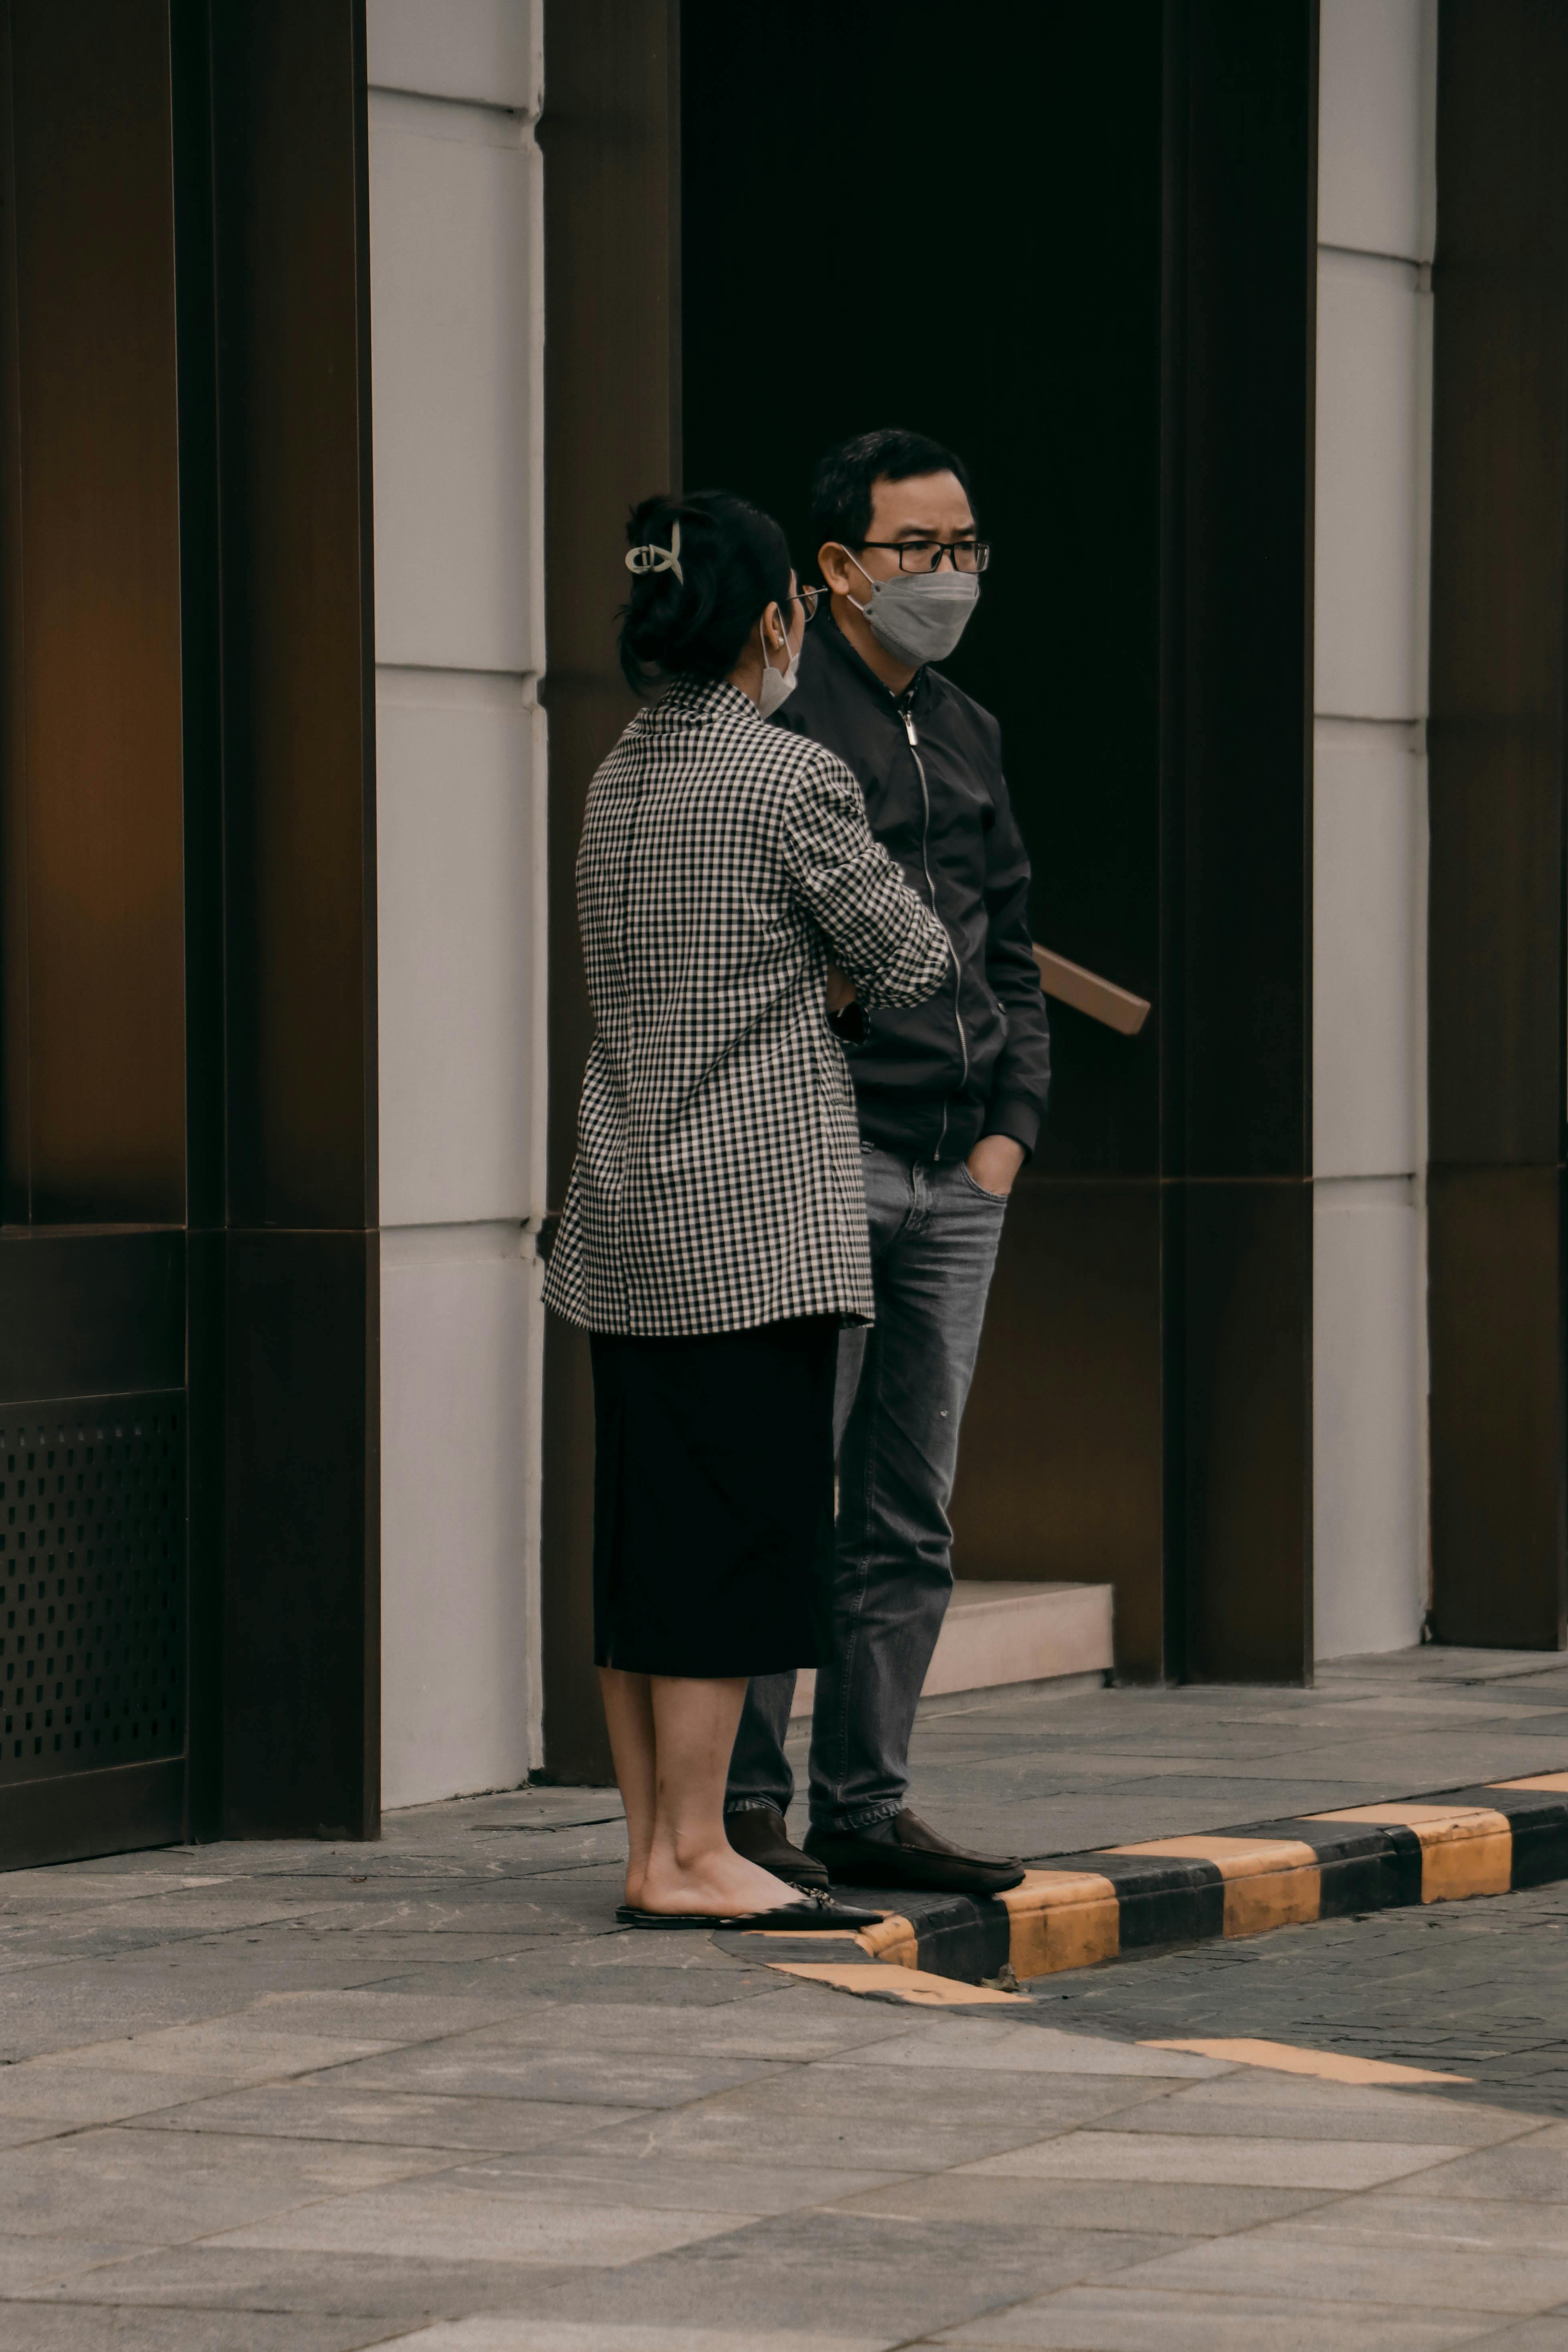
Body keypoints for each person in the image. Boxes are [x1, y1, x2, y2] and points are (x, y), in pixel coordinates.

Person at [544, 487, 952, 1928]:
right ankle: (706, 1848)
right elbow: (910, 959)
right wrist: (825, 976)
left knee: (645, 1538)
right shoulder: (788, 777)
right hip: (753, 1219)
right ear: (775, 617)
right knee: (733, 1538)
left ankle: (655, 1845)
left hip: (623, 1204)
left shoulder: (617, 773)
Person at [725, 430, 1052, 1898]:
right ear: (842, 569)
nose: (951, 576)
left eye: (967, 549)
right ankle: (746, 1809)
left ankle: (869, 1800)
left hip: (955, 1179)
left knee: (912, 1511)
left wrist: (1008, 1135)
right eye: (921, 551)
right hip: (828, 1161)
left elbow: (1014, 948)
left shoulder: (970, 727)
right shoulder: (790, 732)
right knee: (791, 1490)